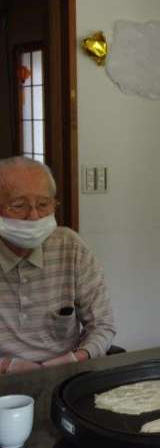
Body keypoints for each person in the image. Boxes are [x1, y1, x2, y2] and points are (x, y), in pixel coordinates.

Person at [0, 157, 116, 374]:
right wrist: (6, 367)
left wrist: (76, 357)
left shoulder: (70, 247)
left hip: (65, 373)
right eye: (18, 205)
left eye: (43, 204)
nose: (34, 216)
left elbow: (103, 325)